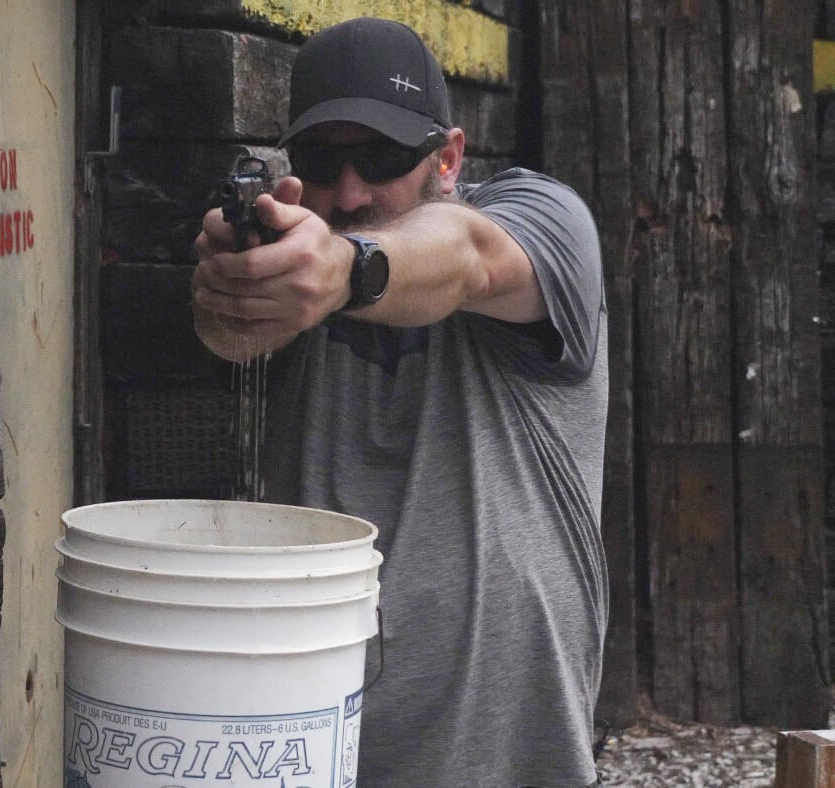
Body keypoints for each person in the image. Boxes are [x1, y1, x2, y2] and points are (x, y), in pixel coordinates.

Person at [193, 17, 608, 787]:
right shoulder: (298, 254)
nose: (350, 191)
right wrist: (234, 290)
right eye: (323, 158)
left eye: (382, 157)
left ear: (447, 157)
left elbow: (464, 257)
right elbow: (230, 342)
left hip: (504, 760)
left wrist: (347, 269)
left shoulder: (542, 220)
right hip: (309, 740)